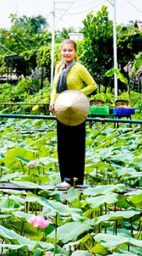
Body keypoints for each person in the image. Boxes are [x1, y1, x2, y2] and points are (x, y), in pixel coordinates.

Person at [49, 39, 97, 188]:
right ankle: (66, 178)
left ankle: (76, 179)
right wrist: (52, 101)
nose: (67, 53)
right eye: (64, 50)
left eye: (70, 50)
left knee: (75, 144)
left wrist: (76, 95)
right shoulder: (58, 67)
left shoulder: (79, 68)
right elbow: (54, 88)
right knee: (63, 144)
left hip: (76, 109)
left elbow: (92, 85)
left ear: (75, 52)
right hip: (61, 110)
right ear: (61, 52)